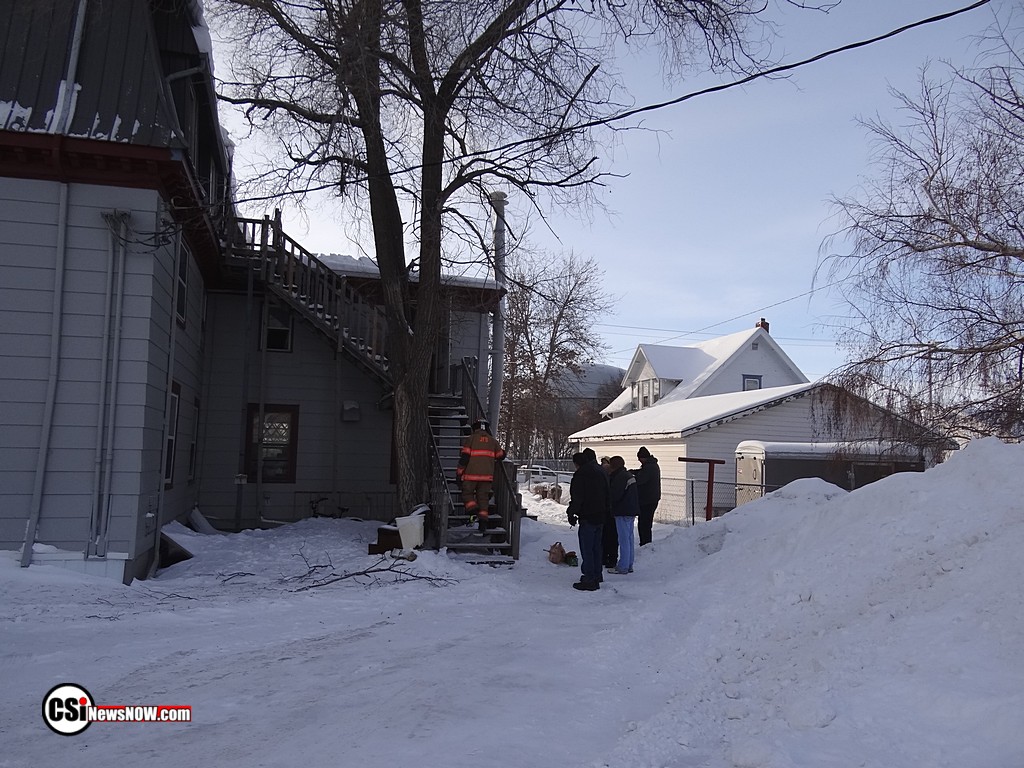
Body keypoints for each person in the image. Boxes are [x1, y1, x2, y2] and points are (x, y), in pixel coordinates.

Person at [566, 447, 610, 591]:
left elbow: (577, 498)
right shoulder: (601, 471)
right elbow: (608, 492)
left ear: (577, 463)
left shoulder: (580, 476)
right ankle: (597, 574)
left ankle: (589, 578)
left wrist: (571, 513)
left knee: (587, 548)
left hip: (588, 515)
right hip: (601, 514)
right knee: (597, 547)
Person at [456, 418, 505, 534]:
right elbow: (501, 455)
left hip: (470, 476)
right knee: (483, 499)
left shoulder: (471, 439)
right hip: (486, 477)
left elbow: (464, 458)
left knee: (467, 494)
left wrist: (459, 473)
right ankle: (483, 522)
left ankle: (473, 510)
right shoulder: (493, 441)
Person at [607, 455, 638, 574]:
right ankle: (629, 564)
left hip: (622, 511)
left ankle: (623, 566)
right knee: (629, 538)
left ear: (613, 466)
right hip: (630, 510)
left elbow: (615, 495)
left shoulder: (619, 478)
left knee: (623, 539)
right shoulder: (628, 475)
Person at [634, 446, 661, 546]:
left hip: (647, 500)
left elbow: (640, 480)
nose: (639, 461)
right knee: (645, 523)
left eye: (640, 459)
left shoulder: (649, 467)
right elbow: (642, 473)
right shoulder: (652, 465)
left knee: (644, 524)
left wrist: (632, 477)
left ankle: (645, 543)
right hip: (651, 499)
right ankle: (645, 542)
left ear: (643, 458)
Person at [599, 456, 619, 569]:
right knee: (610, 537)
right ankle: (609, 558)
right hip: (609, 512)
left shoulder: (610, 480)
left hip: (609, 512)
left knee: (607, 537)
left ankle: (607, 558)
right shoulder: (612, 479)